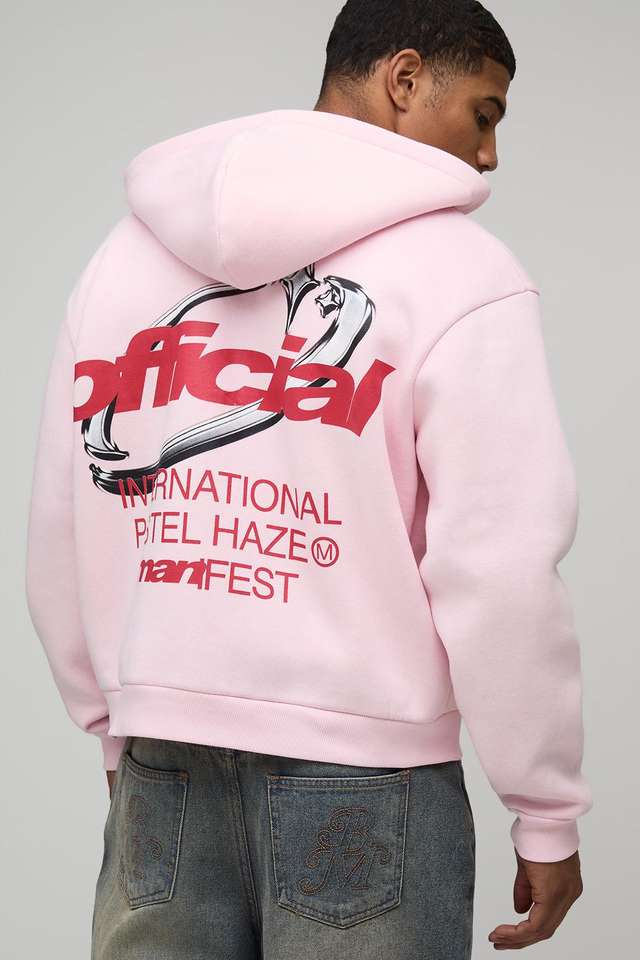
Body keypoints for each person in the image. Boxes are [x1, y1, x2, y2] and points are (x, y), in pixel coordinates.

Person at [25, 1, 593, 957]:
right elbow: (498, 568)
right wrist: (545, 808)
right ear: (404, 79)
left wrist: (113, 719)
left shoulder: (124, 260)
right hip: (368, 774)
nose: (488, 154)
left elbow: (63, 519)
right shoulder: (463, 273)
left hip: (162, 761)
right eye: (484, 113)